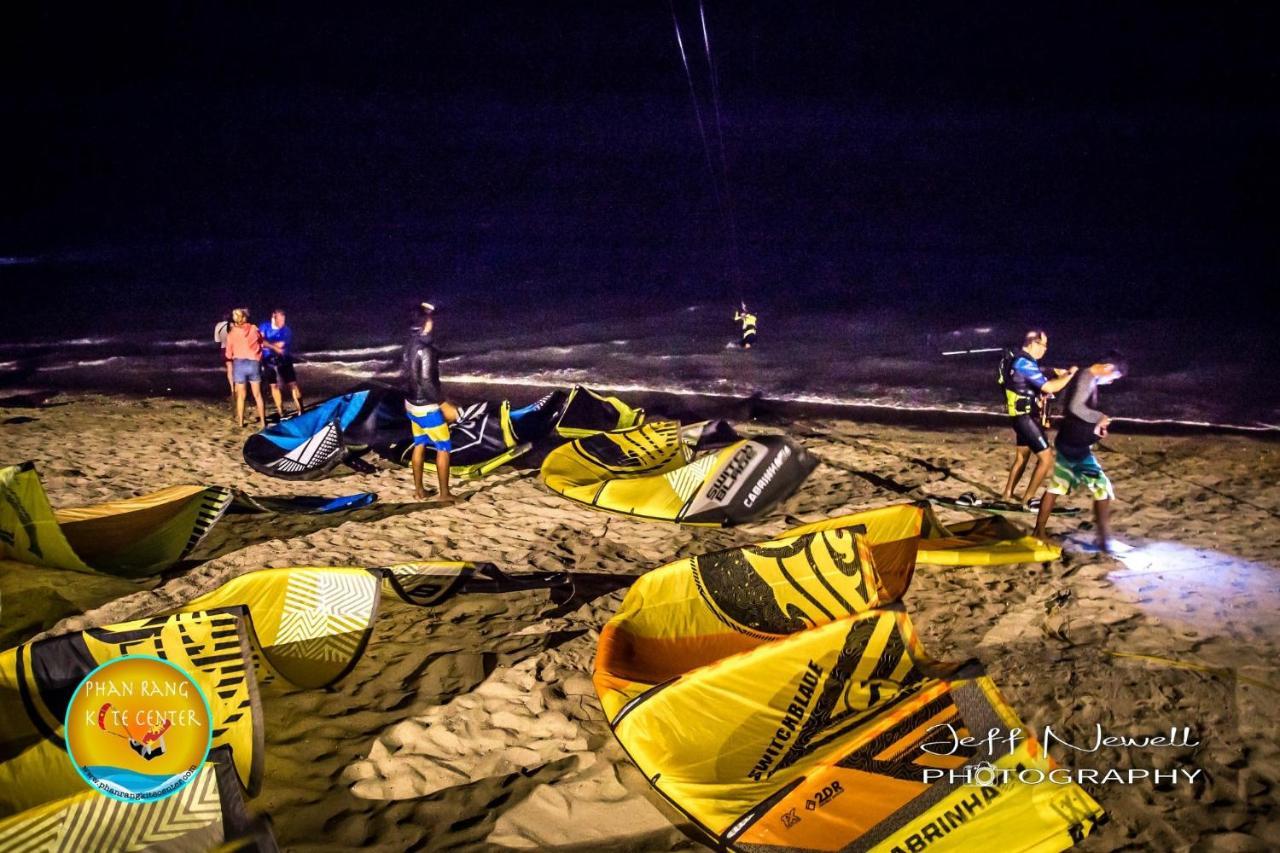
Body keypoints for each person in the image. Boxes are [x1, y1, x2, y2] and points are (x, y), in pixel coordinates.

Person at [1034, 354, 1126, 552]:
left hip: (1070, 442)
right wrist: (1100, 417)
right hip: (1075, 447)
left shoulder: (1086, 377)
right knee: (1103, 488)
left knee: (1057, 486)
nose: (1110, 382)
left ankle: (1039, 531)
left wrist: (1095, 430)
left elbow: (1075, 412)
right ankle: (1104, 540)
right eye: (1113, 376)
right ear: (1108, 366)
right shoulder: (1086, 377)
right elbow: (1075, 408)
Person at [998, 329, 1077, 505]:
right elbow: (1050, 387)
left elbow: (1022, 385)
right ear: (1033, 343)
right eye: (1043, 345)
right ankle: (1027, 500)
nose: (1045, 349)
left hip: (1019, 417)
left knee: (1022, 458)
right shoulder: (1023, 363)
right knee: (1046, 459)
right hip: (1025, 418)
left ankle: (1007, 496)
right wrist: (1070, 374)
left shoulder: (1017, 361)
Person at [404, 302, 459, 502]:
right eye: (430, 319)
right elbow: (426, 380)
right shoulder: (425, 349)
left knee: (419, 444)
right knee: (443, 446)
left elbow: (408, 376)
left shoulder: (409, 345)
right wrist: (443, 403)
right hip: (425, 407)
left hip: (411, 404)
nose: (433, 322)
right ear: (425, 323)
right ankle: (444, 494)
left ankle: (419, 491)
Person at [223, 307, 267, 428]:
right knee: (258, 395)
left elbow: (228, 354)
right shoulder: (253, 328)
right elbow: (261, 342)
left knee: (241, 396)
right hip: (254, 363)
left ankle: (241, 422)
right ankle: (263, 422)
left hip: (239, 364)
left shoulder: (231, 333)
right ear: (244, 318)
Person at [259, 308, 304, 419]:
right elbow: (260, 341)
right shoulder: (264, 326)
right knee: (273, 385)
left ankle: (300, 410)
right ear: (273, 317)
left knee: (292, 384)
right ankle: (280, 411)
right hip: (268, 360)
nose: (282, 323)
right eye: (280, 320)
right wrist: (273, 346)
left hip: (284, 359)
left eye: (284, 320)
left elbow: (279, 345)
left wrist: (268, 344)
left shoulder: (286, 330)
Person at [213, 313, 234, 406]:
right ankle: (240, 388)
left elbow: (217, 340)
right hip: (236, 348)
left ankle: (233, 390)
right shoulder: (235, 325)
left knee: (229, 369)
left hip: (225, 348)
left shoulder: (218, 325)